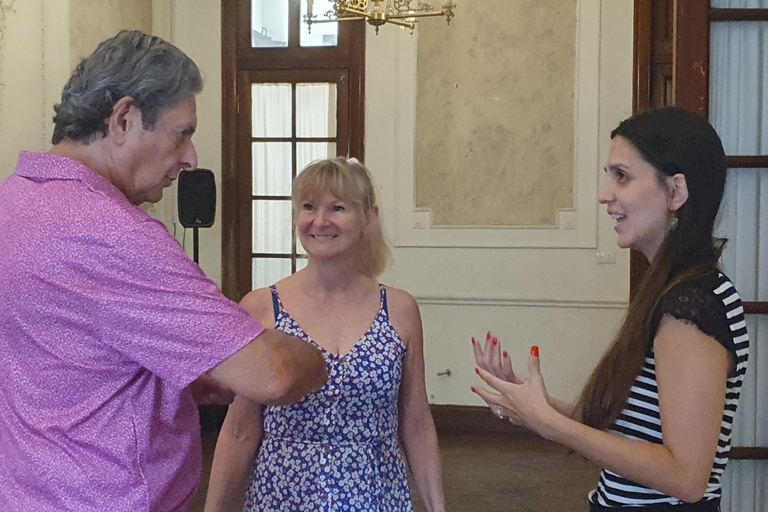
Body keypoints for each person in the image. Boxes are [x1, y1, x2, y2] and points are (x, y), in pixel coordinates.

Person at [0, 30, 327, 512]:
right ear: (124, 119)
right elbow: (273, 375)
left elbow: (64, 361)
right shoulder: (113, 233)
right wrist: (316, 359)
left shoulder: (13, 201)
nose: (191, 158)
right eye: (182, 133)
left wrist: (175, 376)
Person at [472, 107, 749, 511]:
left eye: (622, 176)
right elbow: (637, 437)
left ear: (676, 192)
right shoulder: (673, 290)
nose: (605, 194)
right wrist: (536, 406)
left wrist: (552, 426)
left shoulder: (692, 305)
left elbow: (687, 478)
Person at [205, 158, 445, 512]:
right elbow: (240, 430)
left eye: (337, 208)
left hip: (376, 497)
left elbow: (417, 424)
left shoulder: (400, 310)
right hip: (285, 497)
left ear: (368, 218)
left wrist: (438, 508)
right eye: (308, 207)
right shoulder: (261, 308)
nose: (320, 221)